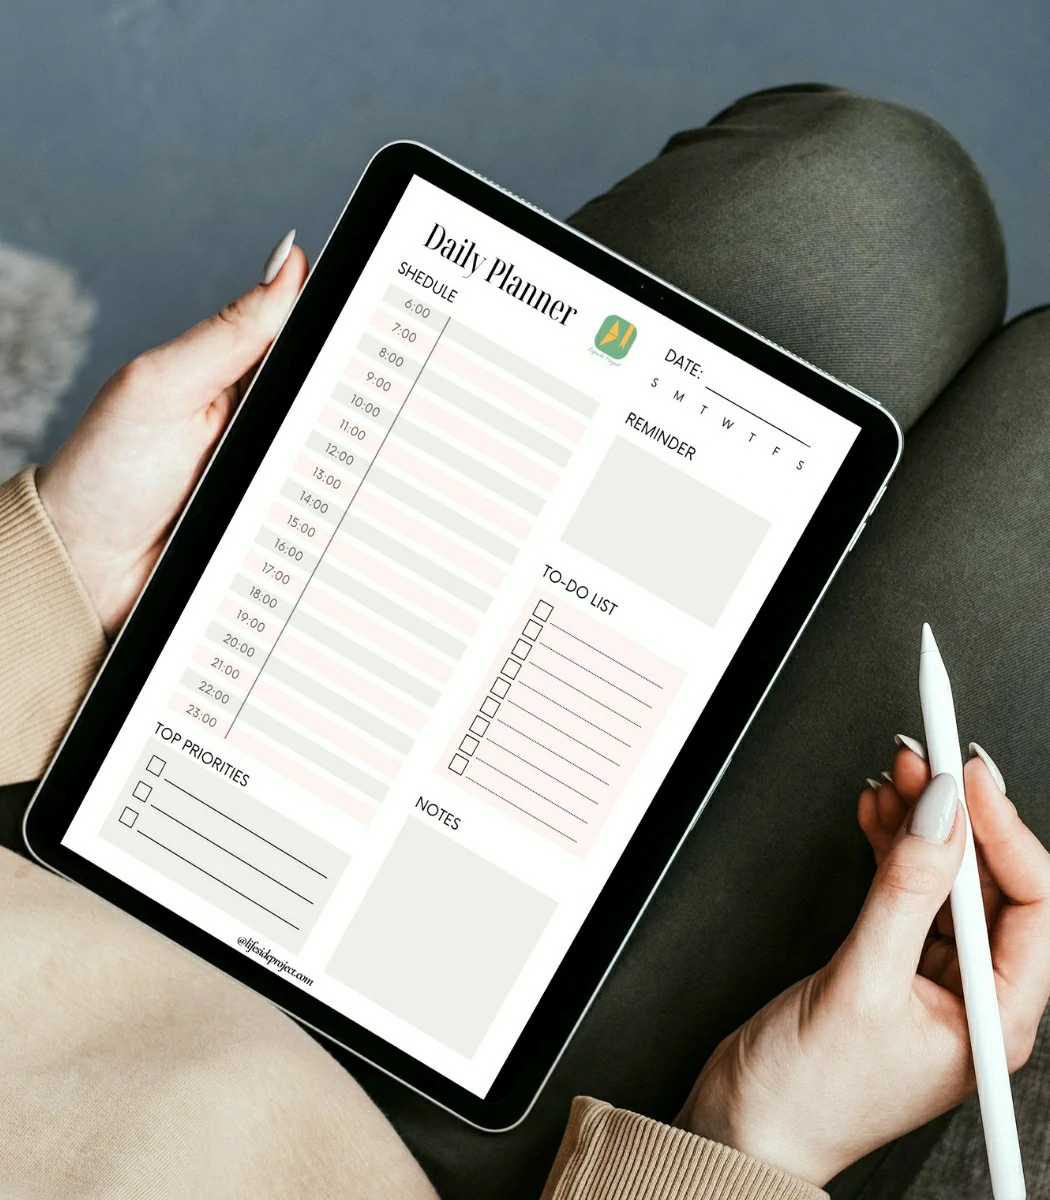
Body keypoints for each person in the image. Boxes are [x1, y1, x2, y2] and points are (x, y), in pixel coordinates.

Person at [1, 83, 1049, 1200]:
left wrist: (54, 569)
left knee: (868, 190)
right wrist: (758, 1140)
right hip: (483, 1167)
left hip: (76, 830)